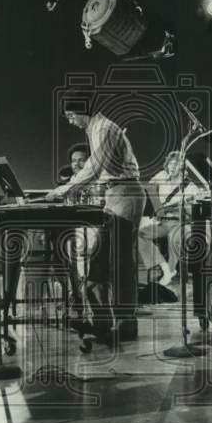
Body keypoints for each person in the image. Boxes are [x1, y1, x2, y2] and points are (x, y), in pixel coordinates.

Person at [46, 97, 146, 342]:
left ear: (81, 110)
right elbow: (93, 165)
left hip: (125, 192)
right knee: (99, 261)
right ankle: (101, 321)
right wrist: (68, 187)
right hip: (115, 193)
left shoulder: (103, 128)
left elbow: (94, 168)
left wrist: (62, 190)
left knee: (121, 263)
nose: (70, 121)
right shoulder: (97, 129)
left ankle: (126, 324)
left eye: (70, 115)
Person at [138, 151, 205, 286]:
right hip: (162, 221)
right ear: (167, 165)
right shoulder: (161, 176)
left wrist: (185, 205)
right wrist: (157, 208)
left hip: (179, 221)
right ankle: (163, 267)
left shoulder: (190, 186)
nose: (172, 167)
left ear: (182, 167)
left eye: (176, 165)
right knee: (140, 235)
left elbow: (193, 211)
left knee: (176, 236)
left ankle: (171, 269)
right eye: (170, 164)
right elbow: (148, 188)